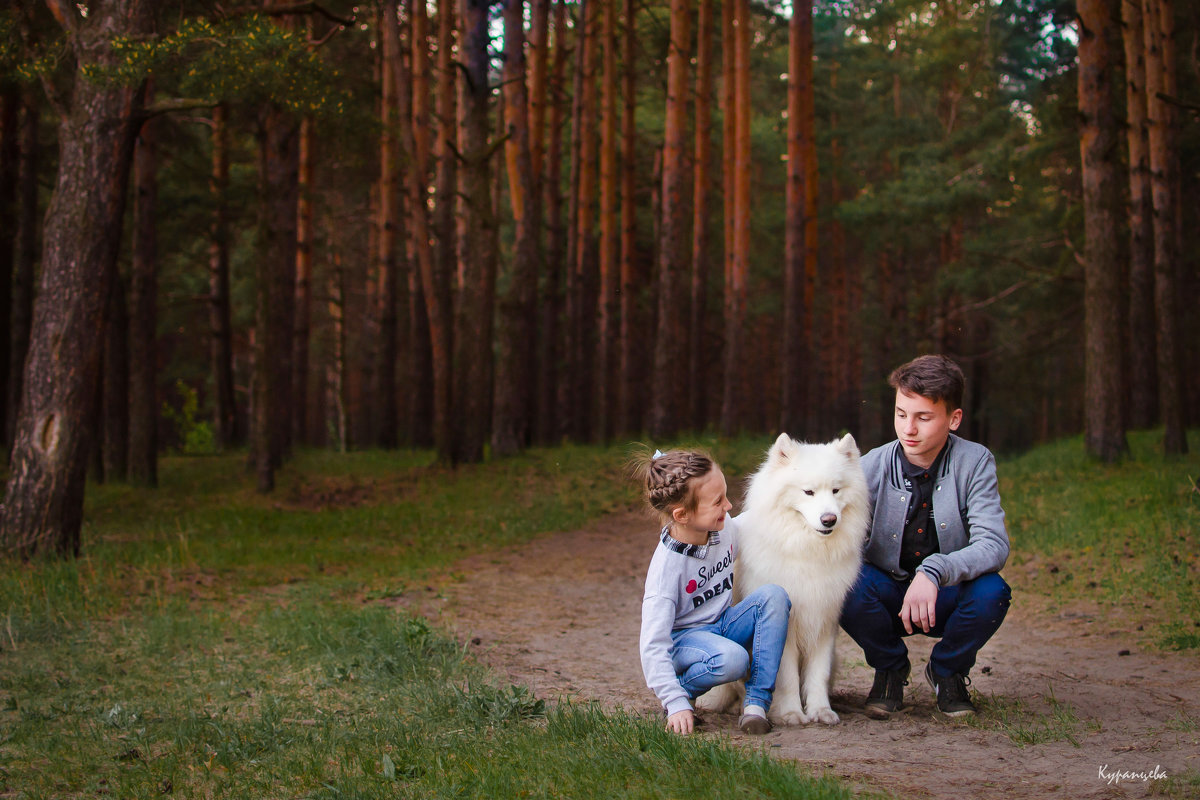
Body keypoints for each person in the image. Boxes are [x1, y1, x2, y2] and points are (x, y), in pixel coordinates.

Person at [840, 354, 1011, 719]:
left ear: (954, 419)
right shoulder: (870, 465)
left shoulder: (975, 462)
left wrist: (933, 571)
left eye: (923, 417)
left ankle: (947, 671)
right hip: (886, 594)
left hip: (945, 595)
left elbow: (993, 544)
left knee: (992, 593)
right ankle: (889, 667)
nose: (909, 429)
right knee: (843, 583)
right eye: (901, 414)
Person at [635, 448, 791, 735]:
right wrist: (674, 700)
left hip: (721, 625)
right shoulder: (666, 571)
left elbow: (749, 526)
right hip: (686, 643)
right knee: (733, 659)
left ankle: (756, 704)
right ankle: (683, 692)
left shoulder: (722, 529)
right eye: (718, 501)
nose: (729, 506)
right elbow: (652, 645)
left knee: (774, 596)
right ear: (682, 515)